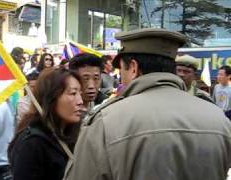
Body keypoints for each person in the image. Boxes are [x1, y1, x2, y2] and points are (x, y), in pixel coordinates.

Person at [64, 28, 231, 180]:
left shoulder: (106, 122)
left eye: (122, 70)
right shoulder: (218, 119)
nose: (121, 77)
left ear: (134, 68)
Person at [9, 68, 84, 180]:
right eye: (73, 93)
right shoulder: (32, 143)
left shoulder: (74, 134)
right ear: (51, 97)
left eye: (80, 93)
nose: (80, 101)